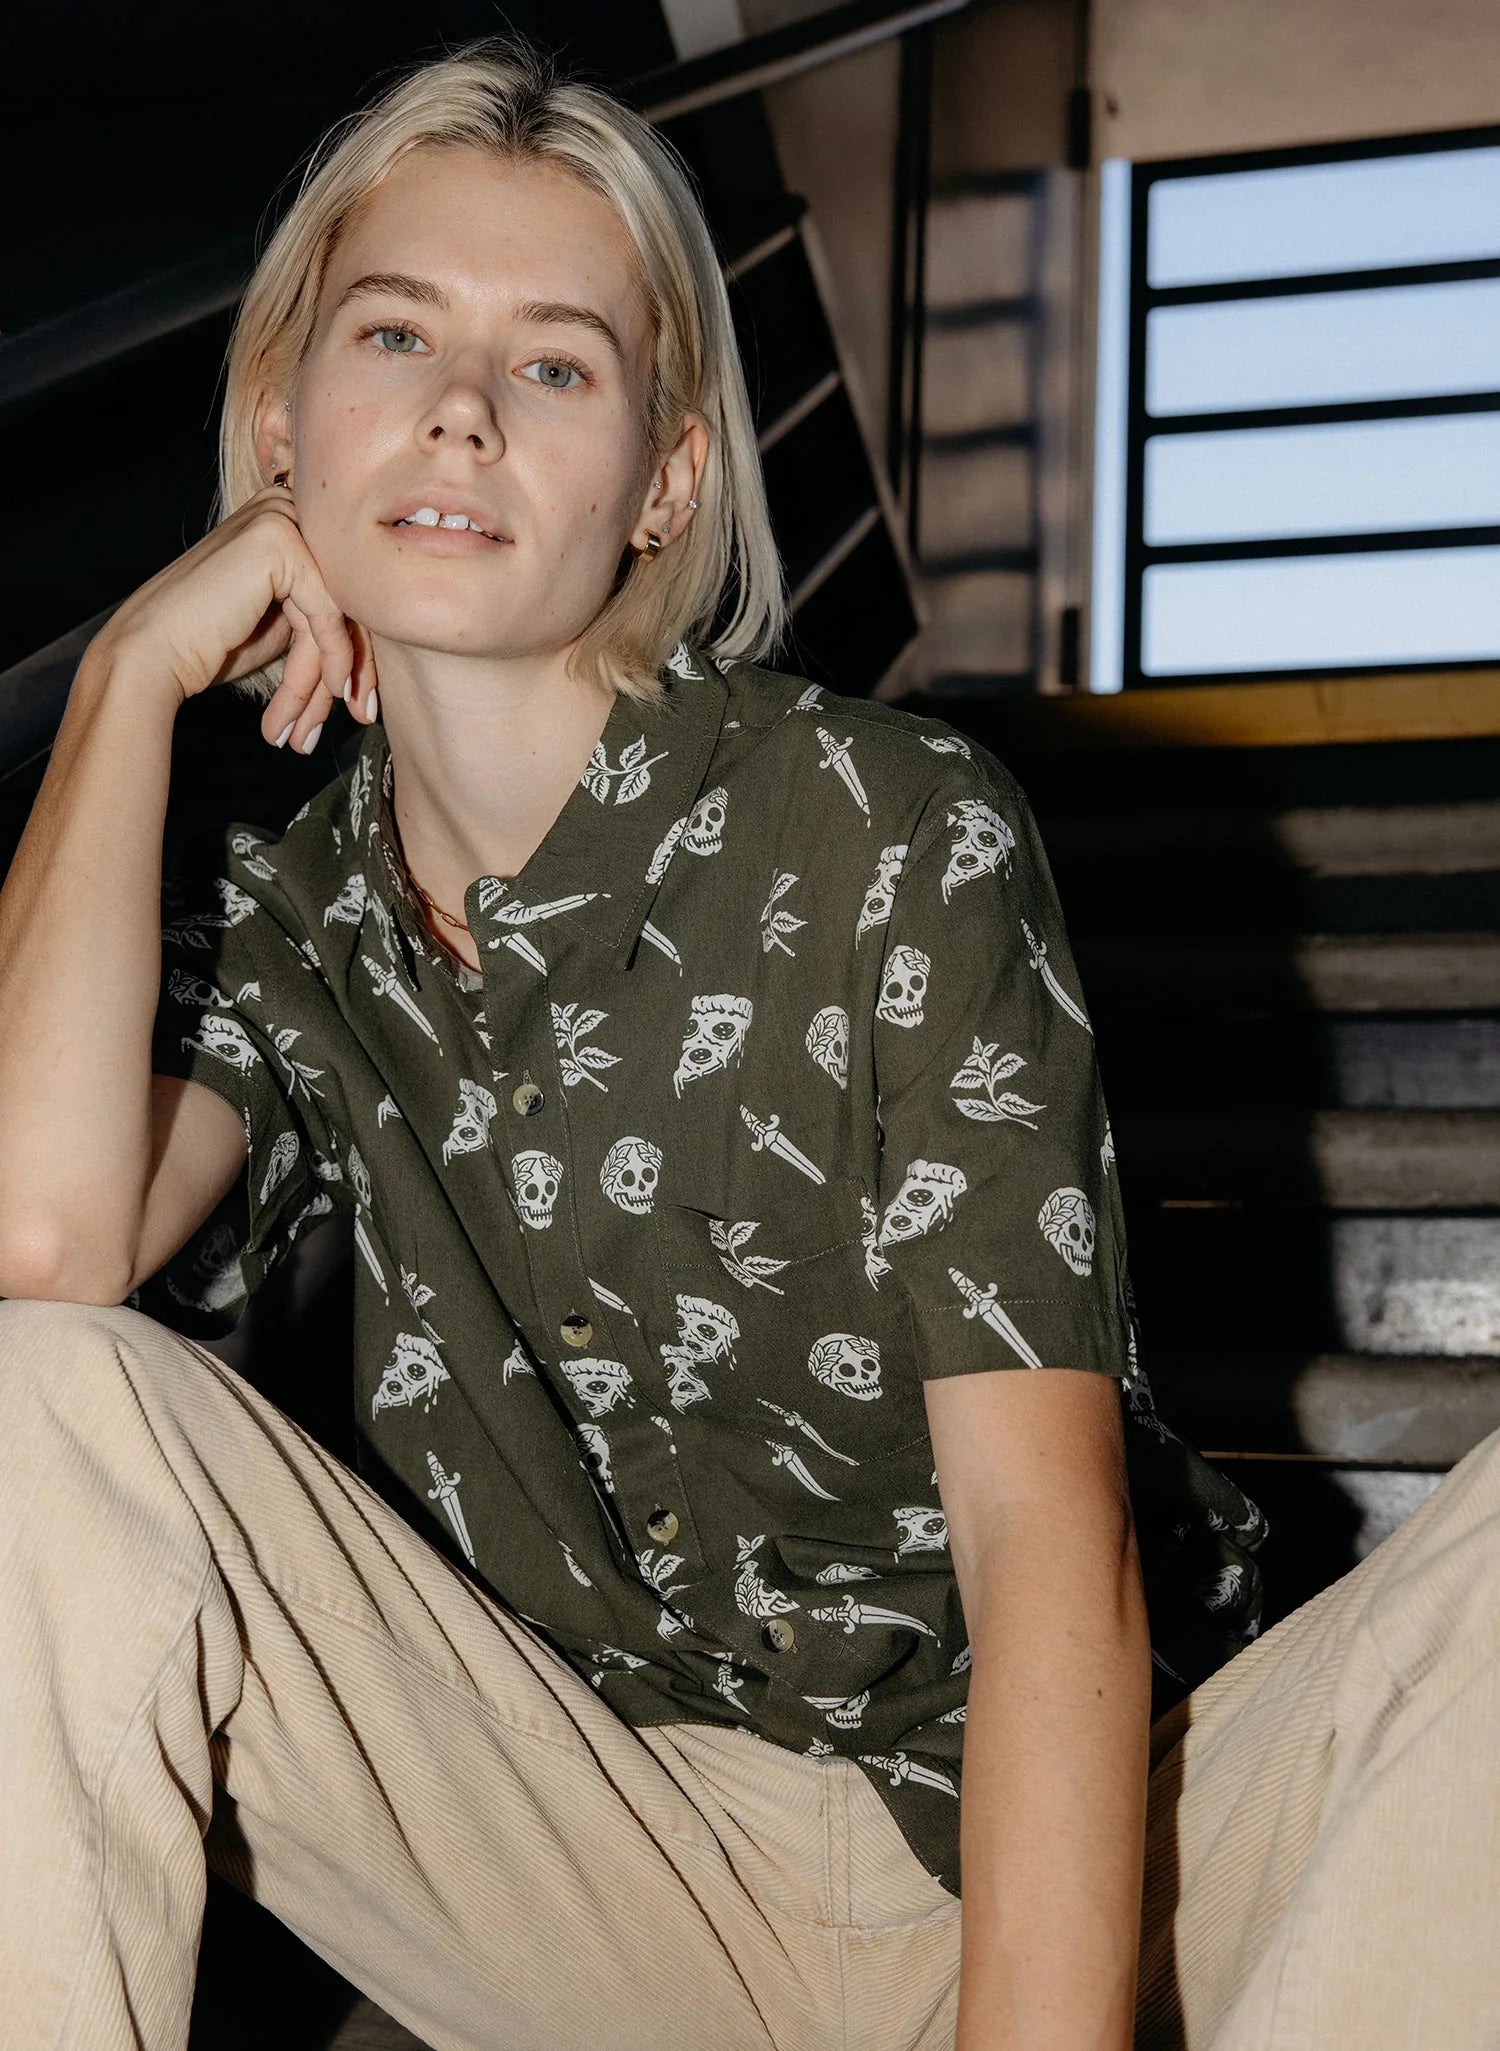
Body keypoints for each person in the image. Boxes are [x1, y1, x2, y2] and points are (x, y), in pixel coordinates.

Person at [0, 30, 1497, 2051]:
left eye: (554, 364)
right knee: (40, 1407)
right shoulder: (297, 932)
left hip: (1077, 1857)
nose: (457, 411)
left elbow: (1046, 1554)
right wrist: (120, 681)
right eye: (392, 337)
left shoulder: (883, 824)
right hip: (623, 1878)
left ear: (664, 479)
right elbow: (40, 1260)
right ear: (282, 424)